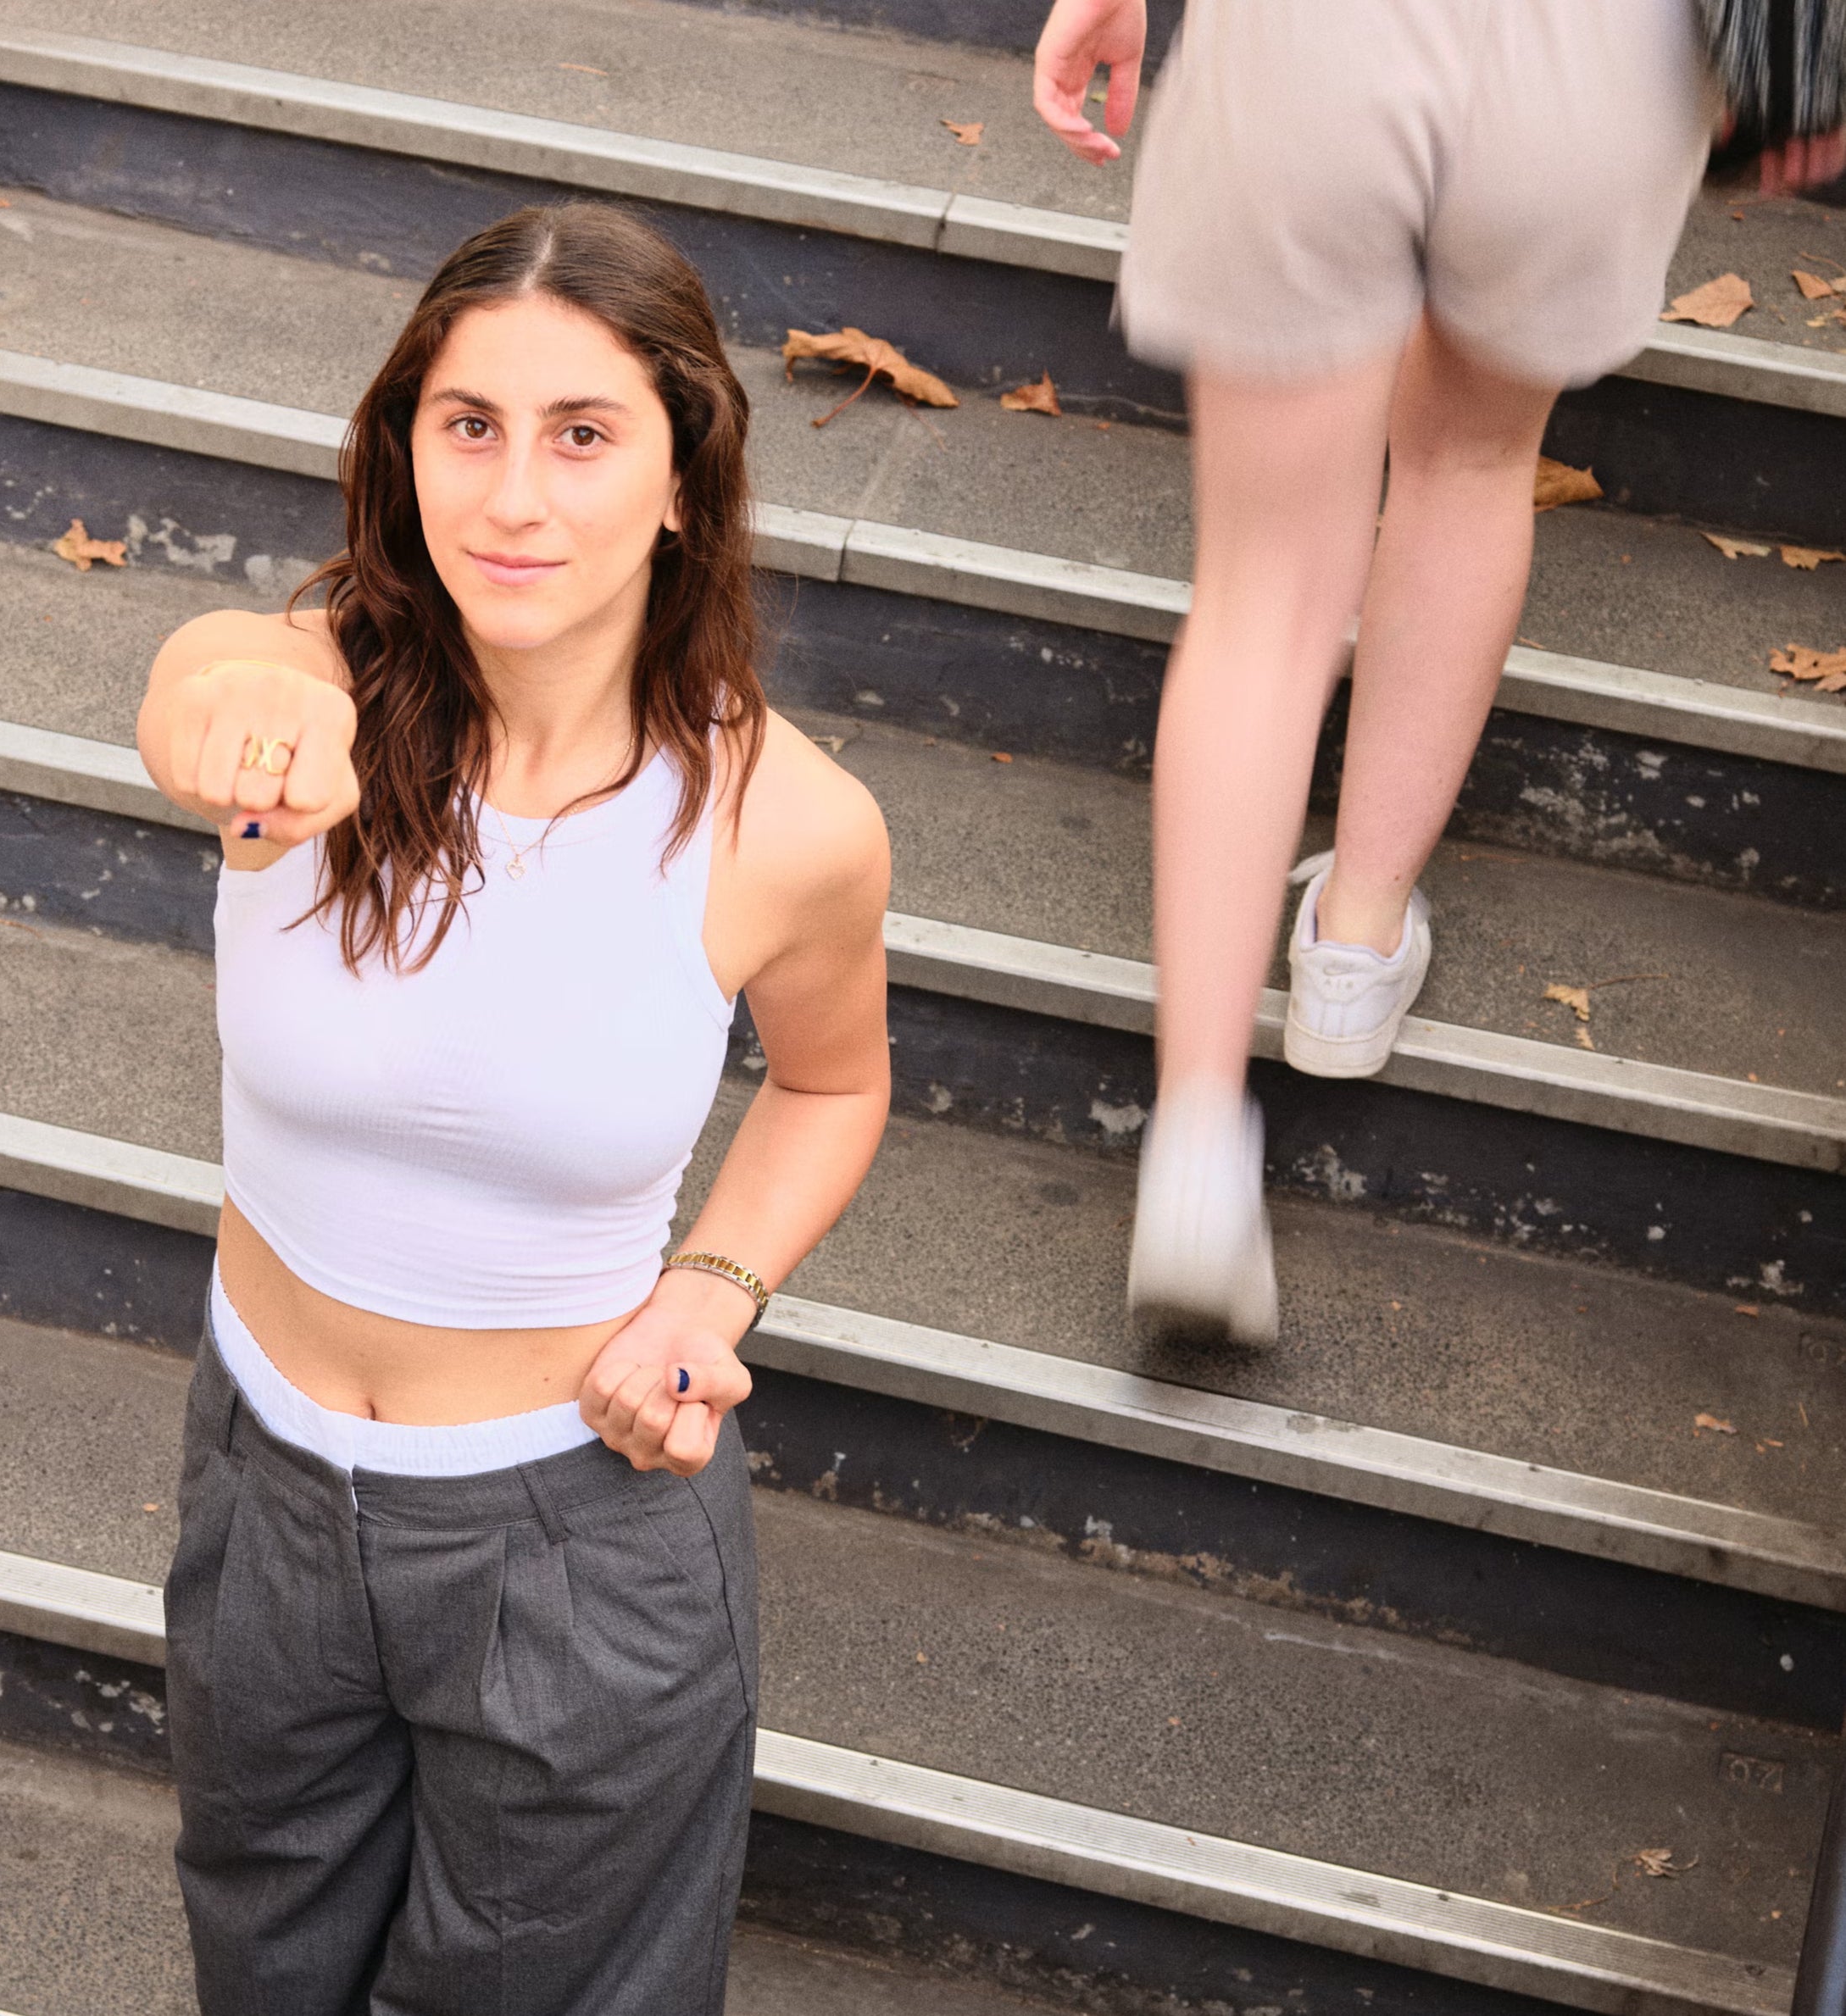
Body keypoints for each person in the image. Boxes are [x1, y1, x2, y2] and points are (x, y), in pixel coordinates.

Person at [134, 202, 892, 2016]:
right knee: (265, 1965)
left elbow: (833, 1077)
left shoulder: (786, 824)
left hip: (573, 1529)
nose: (512, 499)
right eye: (466, 425)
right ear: (404, 449)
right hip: (265, 1479)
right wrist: (236, 714)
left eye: (580, 433)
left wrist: (713, 1286)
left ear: (680, 478)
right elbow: (202, 690)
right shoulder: (309, 687)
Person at [1030, 0, 1733, 1341]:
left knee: (1263, 597)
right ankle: (1355, 940)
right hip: (1601, 54)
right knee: (1471, 465)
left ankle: (1193, 1149)